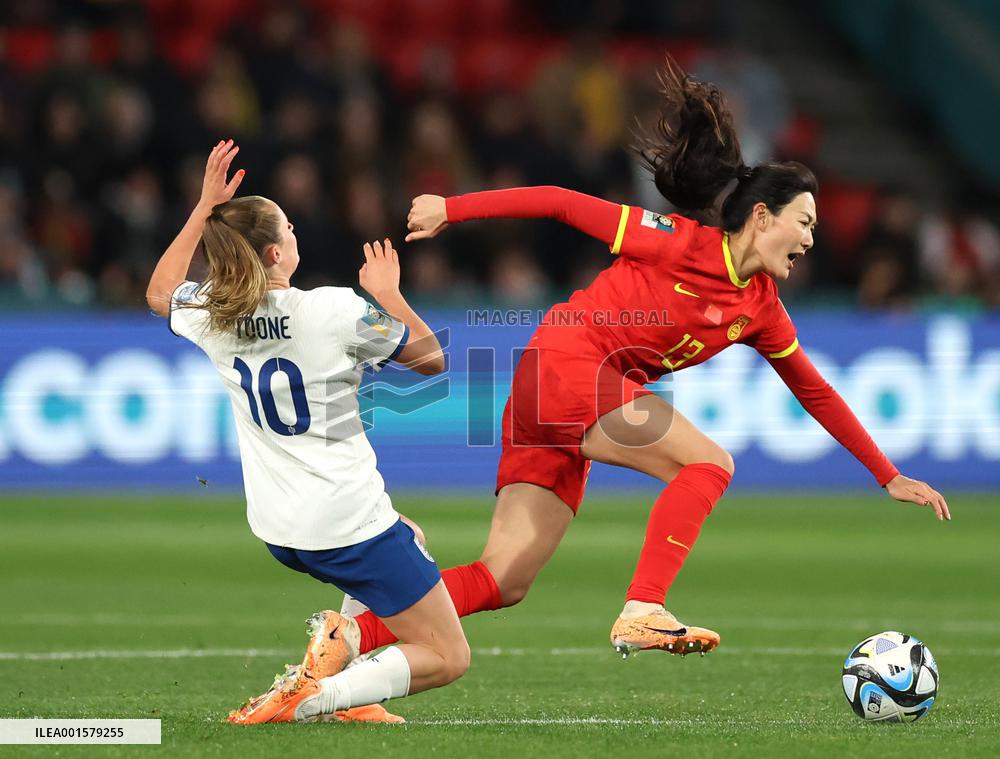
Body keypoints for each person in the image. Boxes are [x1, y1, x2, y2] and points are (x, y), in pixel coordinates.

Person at [325, 55, 952, 665]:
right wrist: (452, 208)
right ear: (762, 217)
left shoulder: (761, 308)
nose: (813, 238)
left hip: (557, 392)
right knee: (709, 463)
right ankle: (644, 608)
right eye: (804, 221)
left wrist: (885, 473)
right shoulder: (678, 243)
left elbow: (816, 391)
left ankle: (350, 637)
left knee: (504, 579)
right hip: (566, 366)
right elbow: (561, 202)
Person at [146, 140, 469, 724]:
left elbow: (159, 294)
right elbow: (430, 360)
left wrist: (201, 208)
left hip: (277, 526)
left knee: (411, 533)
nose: (298, 234)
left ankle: (334, 667)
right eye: (290, 228)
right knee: (448, 656)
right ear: (276, 253)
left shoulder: (215, 315)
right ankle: (322, 697)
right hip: (345, 519)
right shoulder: (334, 310)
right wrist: (390, 296)